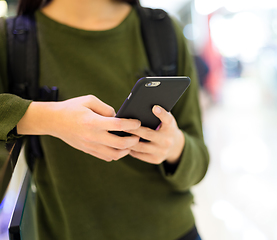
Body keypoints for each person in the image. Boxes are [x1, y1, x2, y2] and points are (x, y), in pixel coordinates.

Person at [0, 0, 209, 239]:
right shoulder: (12, 39)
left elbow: (199, 161)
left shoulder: (161, 30)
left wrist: (174, 148)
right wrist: (45, 117)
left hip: (175, 231)